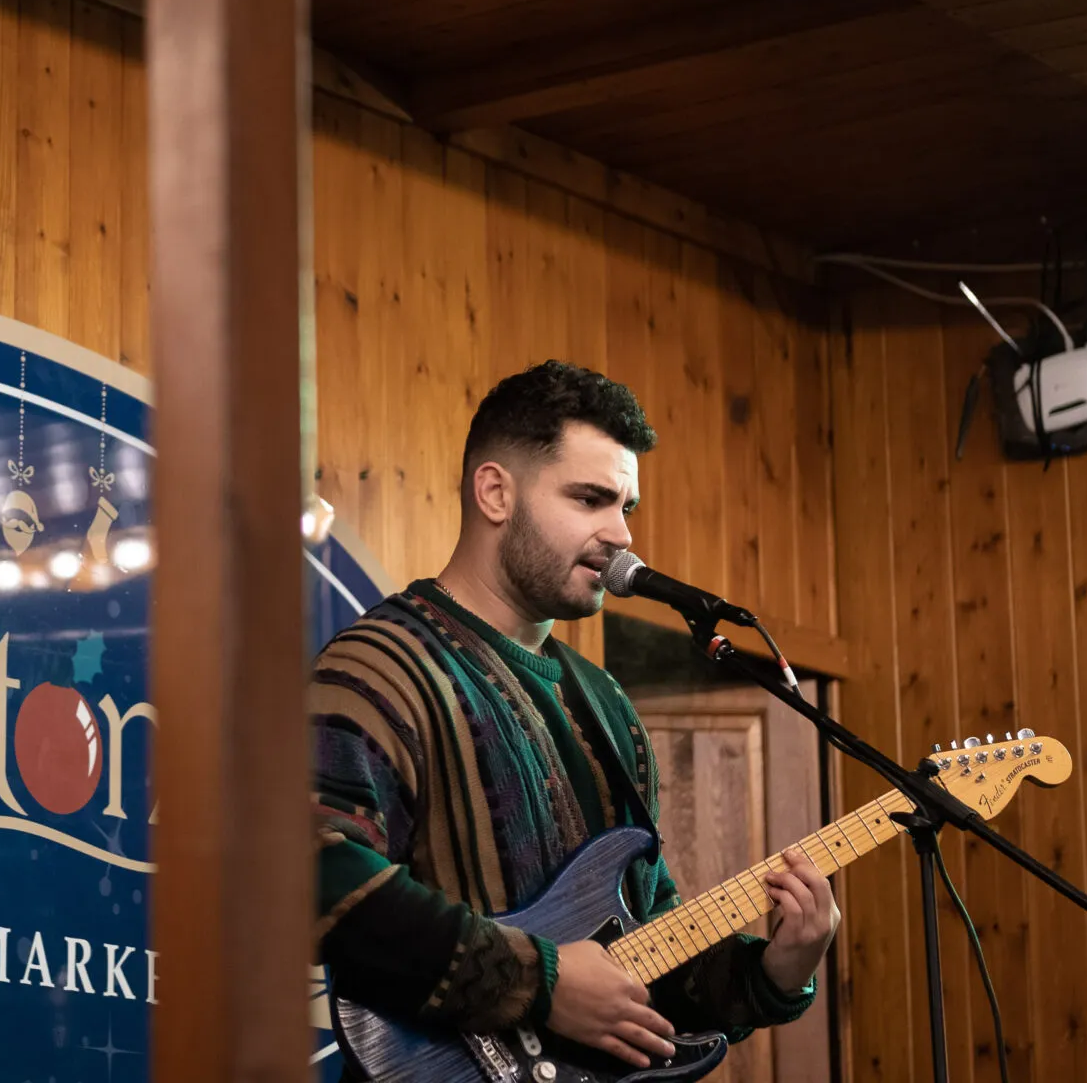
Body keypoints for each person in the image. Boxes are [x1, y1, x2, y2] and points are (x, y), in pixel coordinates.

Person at [313, 360, 838, 1072]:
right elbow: (314, 871)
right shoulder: (380, 665)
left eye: (627, 508)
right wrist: (540, 982)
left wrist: (777, 969)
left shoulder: (606, 708)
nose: (621, 534)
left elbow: (647, 955)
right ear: (495, 492)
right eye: (591, 499)